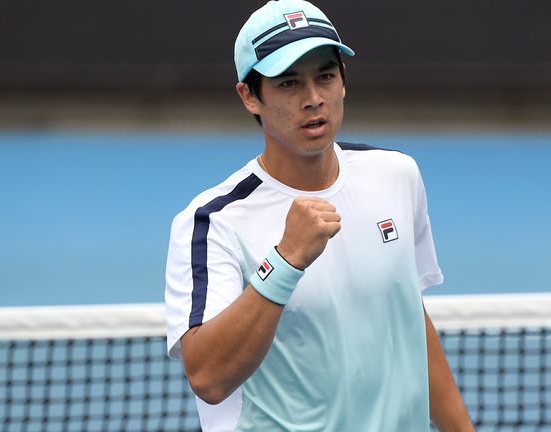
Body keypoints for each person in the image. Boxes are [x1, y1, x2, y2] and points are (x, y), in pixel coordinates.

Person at [165, 1, 475, 430]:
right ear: (249, 96)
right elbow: (208, 377)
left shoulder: (397, 175)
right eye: (289, 84)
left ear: (343, 81)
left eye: (325, 76)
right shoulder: (213, 222)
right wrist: (285, 261)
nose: (313, 99)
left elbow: (408, 316)